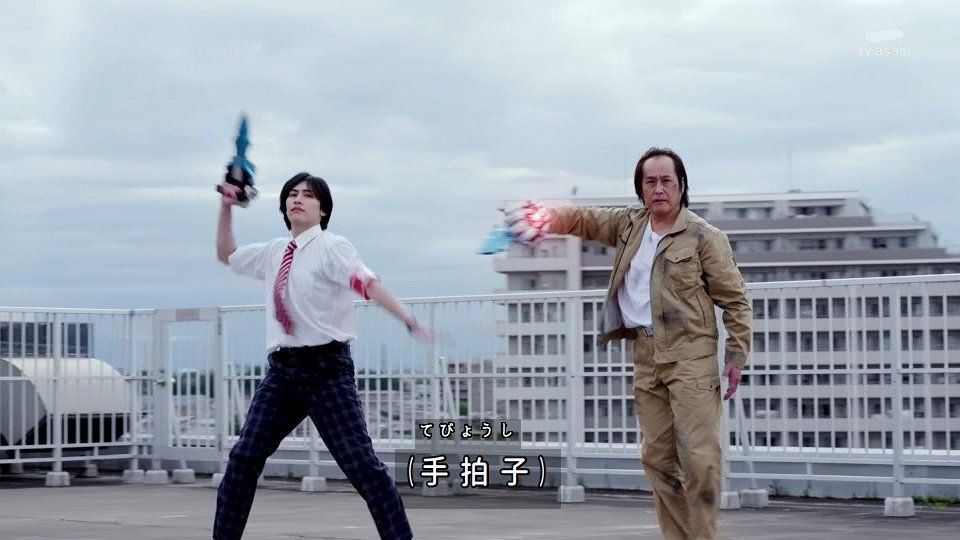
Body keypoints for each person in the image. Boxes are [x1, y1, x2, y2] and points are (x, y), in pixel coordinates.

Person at [507, 148, 752, 540]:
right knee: (656, 459)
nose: (658, 189)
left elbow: (736, 300)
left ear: (681, 186)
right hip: (646, 354)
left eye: (666, 180)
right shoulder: (629, 226)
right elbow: (584, 220)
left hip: (691, 355)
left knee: (700, 460)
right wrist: (544, 216)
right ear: (640, 189)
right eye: (650, 181)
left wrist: (736, 354)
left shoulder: (705, 237)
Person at [213, 172, 430, 540]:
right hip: (283, 372)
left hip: (327, 371)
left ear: (323, 209)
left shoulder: (333, 248)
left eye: (308, 195)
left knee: (362, 466)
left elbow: (368, 284)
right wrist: (226, 208)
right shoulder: (274, 252)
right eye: (292, 194)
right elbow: (227, 255)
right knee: (244, 457)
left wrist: (408, 319)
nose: (298, 199)